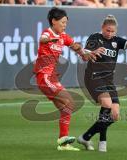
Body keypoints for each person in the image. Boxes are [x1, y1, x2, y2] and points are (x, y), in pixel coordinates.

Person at [77, 15, 127, 152]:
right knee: (107, 104)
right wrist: (92, 52)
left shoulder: (117, 41)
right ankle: (102, 142)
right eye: (107, 30)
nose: (109, 34)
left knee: (114, 115)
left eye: (112, 31)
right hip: (94, 77)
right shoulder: (94, 38)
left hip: (109, 79)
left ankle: (86, 137)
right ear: (102, 28)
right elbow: (84, 55)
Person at [34, 7, 100, 151]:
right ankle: (63, 141)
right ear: (54, 21)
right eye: (63, 22)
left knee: (67, 108)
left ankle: (64, 143)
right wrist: (50, 39)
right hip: (44, 77)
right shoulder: (48, 33)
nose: (65, 25)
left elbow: (75, 46)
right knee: (69, 101)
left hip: (52, 78)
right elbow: (42, 39)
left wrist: (85, 53)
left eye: (66, 23)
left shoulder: (63, 36)